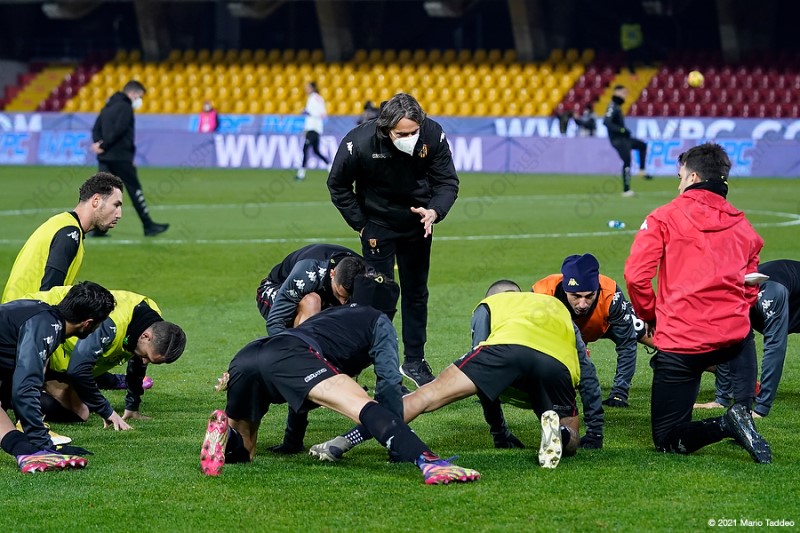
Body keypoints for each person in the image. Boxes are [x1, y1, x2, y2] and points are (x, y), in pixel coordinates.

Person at [200, 277, 481, 485]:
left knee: (246, 450)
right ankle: (429, 462)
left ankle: (228, 437)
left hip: (248, 355)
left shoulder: (331, 315)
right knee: (365, 407)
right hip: (293, 355)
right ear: (390, 311)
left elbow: (301, 393)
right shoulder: (379, 320)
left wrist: (292, 442)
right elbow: (388, 384)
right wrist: (398, 445)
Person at [309, 280, 586, 468]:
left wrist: (499, 431)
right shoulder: (555, 306)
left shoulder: (490, 305)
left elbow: (484, 382)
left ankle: (342, 443)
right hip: (558, 363)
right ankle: (561, 435)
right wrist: (593, 431)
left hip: (505, 349)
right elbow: (586, 366)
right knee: (570, 427)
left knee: (425, 397)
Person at [624, 142, 772, 463]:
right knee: (742, 334)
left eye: (680, 177)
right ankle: (743, 409)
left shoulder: (664, 217)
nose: (678, 185)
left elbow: (636, 277)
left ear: (692, 177)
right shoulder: (744, 227)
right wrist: (738, 311)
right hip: (732, 340)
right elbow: (751, 283)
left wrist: (651, 316)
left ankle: (727, 423)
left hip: (683, 342)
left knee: (667, 439)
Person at [328, 92, 459, 388]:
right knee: (378, 298)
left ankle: (414, 361)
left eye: (414, 132)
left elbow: (447, 181)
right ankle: (381, 370)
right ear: (386, 128)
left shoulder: (433, 134)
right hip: (378, 226)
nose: (410, 138)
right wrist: (361, 225)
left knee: (416, 293)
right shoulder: (359, 142)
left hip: (418, 223)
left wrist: (435, 211)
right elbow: (337, 184)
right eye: (402, 134)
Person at [20, 286, 186, 430]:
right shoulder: (109, 323)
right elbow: (78, 370)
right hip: (29, 323)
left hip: (55, 348)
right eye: (146, 357)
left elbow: (137, 365)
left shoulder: (151, 324)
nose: (144, 362)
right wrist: (107, 411)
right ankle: (18, 395)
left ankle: (38, 384)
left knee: (82, 413)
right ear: (146, 336)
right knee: (44, 396)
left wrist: (132, 406)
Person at [0, 281, 115, 473]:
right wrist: (43, 443)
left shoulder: (42, 315)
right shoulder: (45, 327)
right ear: (88, 323)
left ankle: (27, 452)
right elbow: (25, 388)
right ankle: (34, 452)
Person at [533, 253, 653, 408]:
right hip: (563, 330)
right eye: (576, 296)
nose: (582, 304)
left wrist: (620, 392)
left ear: (598, 289)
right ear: (565, 289)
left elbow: (627, 345)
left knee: (657, 337)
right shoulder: (542, 294)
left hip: (604, 324)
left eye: (589, 296)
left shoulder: (611, 295)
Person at [695, 259, 800, 417]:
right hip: (784, 296)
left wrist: (761, 409)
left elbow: (775, 347)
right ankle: (724, 398)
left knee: (773, 341)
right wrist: (722, 399)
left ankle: (762, 403)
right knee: (730, 338)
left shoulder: (768, 294)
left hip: (779, 290)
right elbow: (726, 342)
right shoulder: (726, 299)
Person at [2, 172, 123, 303]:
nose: (119, 214)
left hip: (17, 309)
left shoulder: (62, 224)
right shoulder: (69, 233)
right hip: (27, 312)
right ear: (96, 201)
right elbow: (49, 293)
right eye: (116, 205)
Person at [90, 80, 169, 237]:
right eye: (140, 96)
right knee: (134, 189)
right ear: (133, 93)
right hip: (121, 157)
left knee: (104, 192)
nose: (140, 100)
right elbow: (120, 130)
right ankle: (148, 225)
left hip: (105, 157)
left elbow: (96, 128)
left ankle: (98, 229)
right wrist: (106, 145)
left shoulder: (108, 106)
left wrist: (99, 144)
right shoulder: (126, 107)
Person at [255, 244, 366, 334]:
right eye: (339, 295)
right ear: (332, 273)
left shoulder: (368, 278)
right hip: (276, 292)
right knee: (311, 301)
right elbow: (275, 322)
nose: (343, 302)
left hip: (323, 297)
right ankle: (303, 350)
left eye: (347, 298)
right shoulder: (309, 272)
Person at [604, 85, 652, 197]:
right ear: (616, 92)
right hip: (618, 140)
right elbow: (607, 122)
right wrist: (622, 130)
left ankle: (641, 170)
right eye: (623, 92)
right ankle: (626, 190)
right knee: (627, 161)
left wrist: (624, 131)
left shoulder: (617, 106)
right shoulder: (612, 106)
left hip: (624, 139)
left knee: (642, 146)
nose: (625, 95)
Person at [295, 81, 330, 181]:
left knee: (305, 149)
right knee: (316, 151)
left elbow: (311, 113)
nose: (306, 89)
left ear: (312, 88)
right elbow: (323, 114)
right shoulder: (320, 98)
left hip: (312, 128)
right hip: (317, 128)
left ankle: (301, 174)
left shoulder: (312, 98)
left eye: (308, 87)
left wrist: (305, 111)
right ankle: (330, 166)